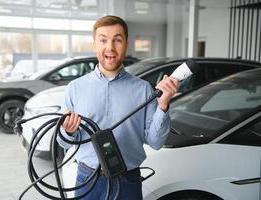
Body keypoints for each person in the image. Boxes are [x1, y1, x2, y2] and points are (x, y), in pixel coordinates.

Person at [58, 15, 179, 200]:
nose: (110, 47)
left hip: (128, 182)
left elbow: (155, 142)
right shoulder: (75, 88)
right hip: (87, 180)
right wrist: (67, 131)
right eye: (103, 40)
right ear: (94, 45)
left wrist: (163, 105)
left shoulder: (143, 89)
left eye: (117, 40)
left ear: (126, 44)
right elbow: (64, 142)